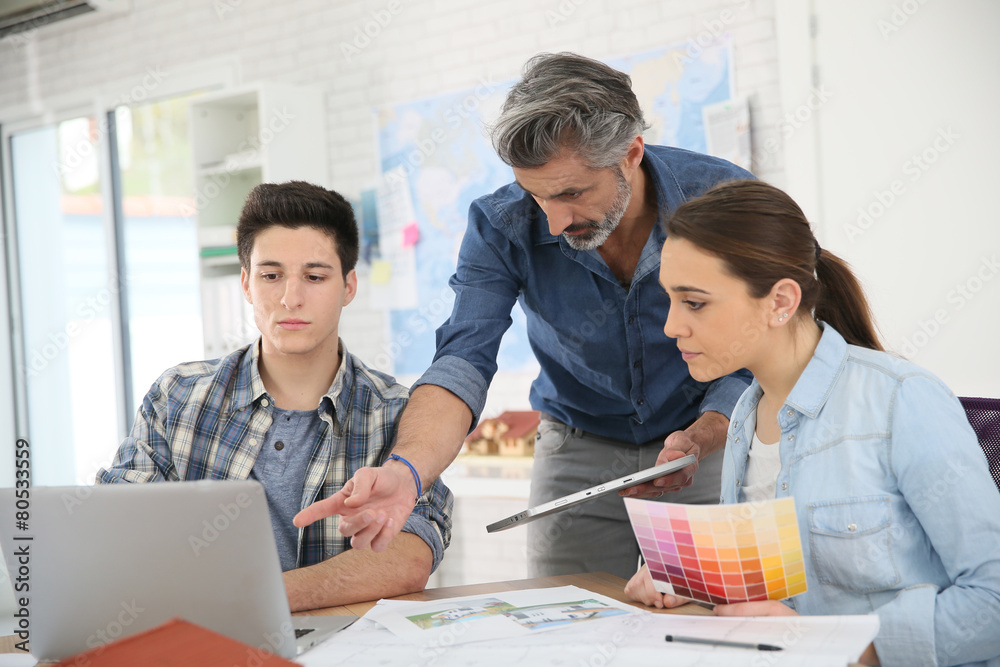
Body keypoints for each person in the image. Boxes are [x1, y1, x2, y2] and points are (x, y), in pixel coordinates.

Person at [295, 52, 754, 580]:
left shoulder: (721, 198)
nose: (555, 224)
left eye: (571, 194)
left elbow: (756, 338)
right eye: (537, 197)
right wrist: (407, 472)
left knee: (706, 611)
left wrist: (711, 429)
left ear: (630, 154)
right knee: (570, 627)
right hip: (578, 443)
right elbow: (463, 360)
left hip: (705, 432)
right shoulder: (500, 224)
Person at [624, 179, 1000, 666]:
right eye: (670, 300)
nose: (671, 325)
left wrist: (842, 647)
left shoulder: (901, 400)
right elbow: (770, 600)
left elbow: (993, 599)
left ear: (780, 302)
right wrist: (682, 578)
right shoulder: (744, 416)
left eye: (694, 302)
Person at [98, 181, 453, 612]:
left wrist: (250, 600)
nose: (291, 298)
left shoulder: (399, 414)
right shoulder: (178, 397)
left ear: (349, 286)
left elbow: (410, 556)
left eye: (315, 276)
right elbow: (115, 526)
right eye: (271, 275)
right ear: (246, 283)